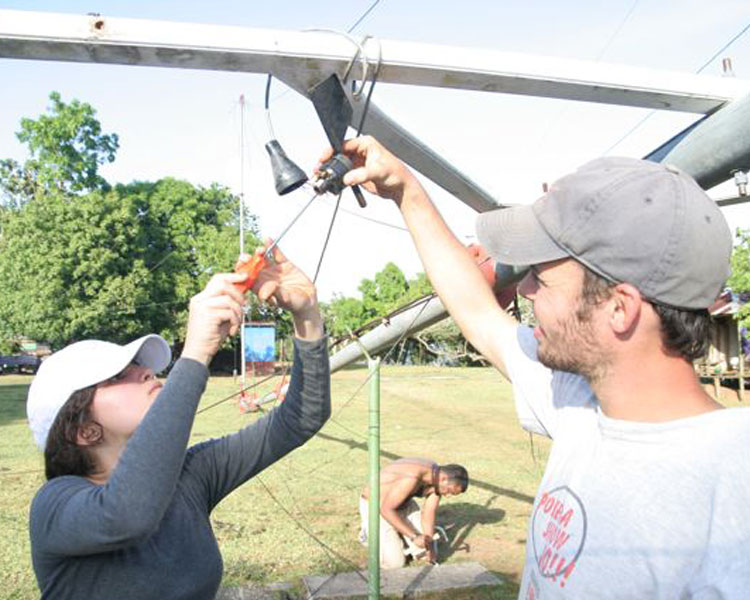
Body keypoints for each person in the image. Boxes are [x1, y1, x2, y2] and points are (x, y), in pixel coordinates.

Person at [328, 137, 750, 598]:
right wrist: (406, 191)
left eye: (541, 278)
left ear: (618, 308)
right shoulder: (580, 401)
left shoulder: (733, 489)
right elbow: (477, 313)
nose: (524, 289)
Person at [26, 244, 330, 600]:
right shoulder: (54, 505)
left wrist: (307, 313)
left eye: (138, 364)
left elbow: (300, 418)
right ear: (82, 430)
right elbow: (127, 513)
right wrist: (196, 353)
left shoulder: (191, 475)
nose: (144, 372)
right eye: (115, 376)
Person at [359, 457, 468, 568]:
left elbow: (429, 512)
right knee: (395, 563)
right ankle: (367, 534)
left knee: (424, 552)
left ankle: (399, 534)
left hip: (404, 504)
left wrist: (429, 546)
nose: (447, 495)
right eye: (449, 491)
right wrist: (414, 536)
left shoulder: (436, 478)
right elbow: (386, 509)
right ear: (444, 479)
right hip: (378, 507)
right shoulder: (413, 476)